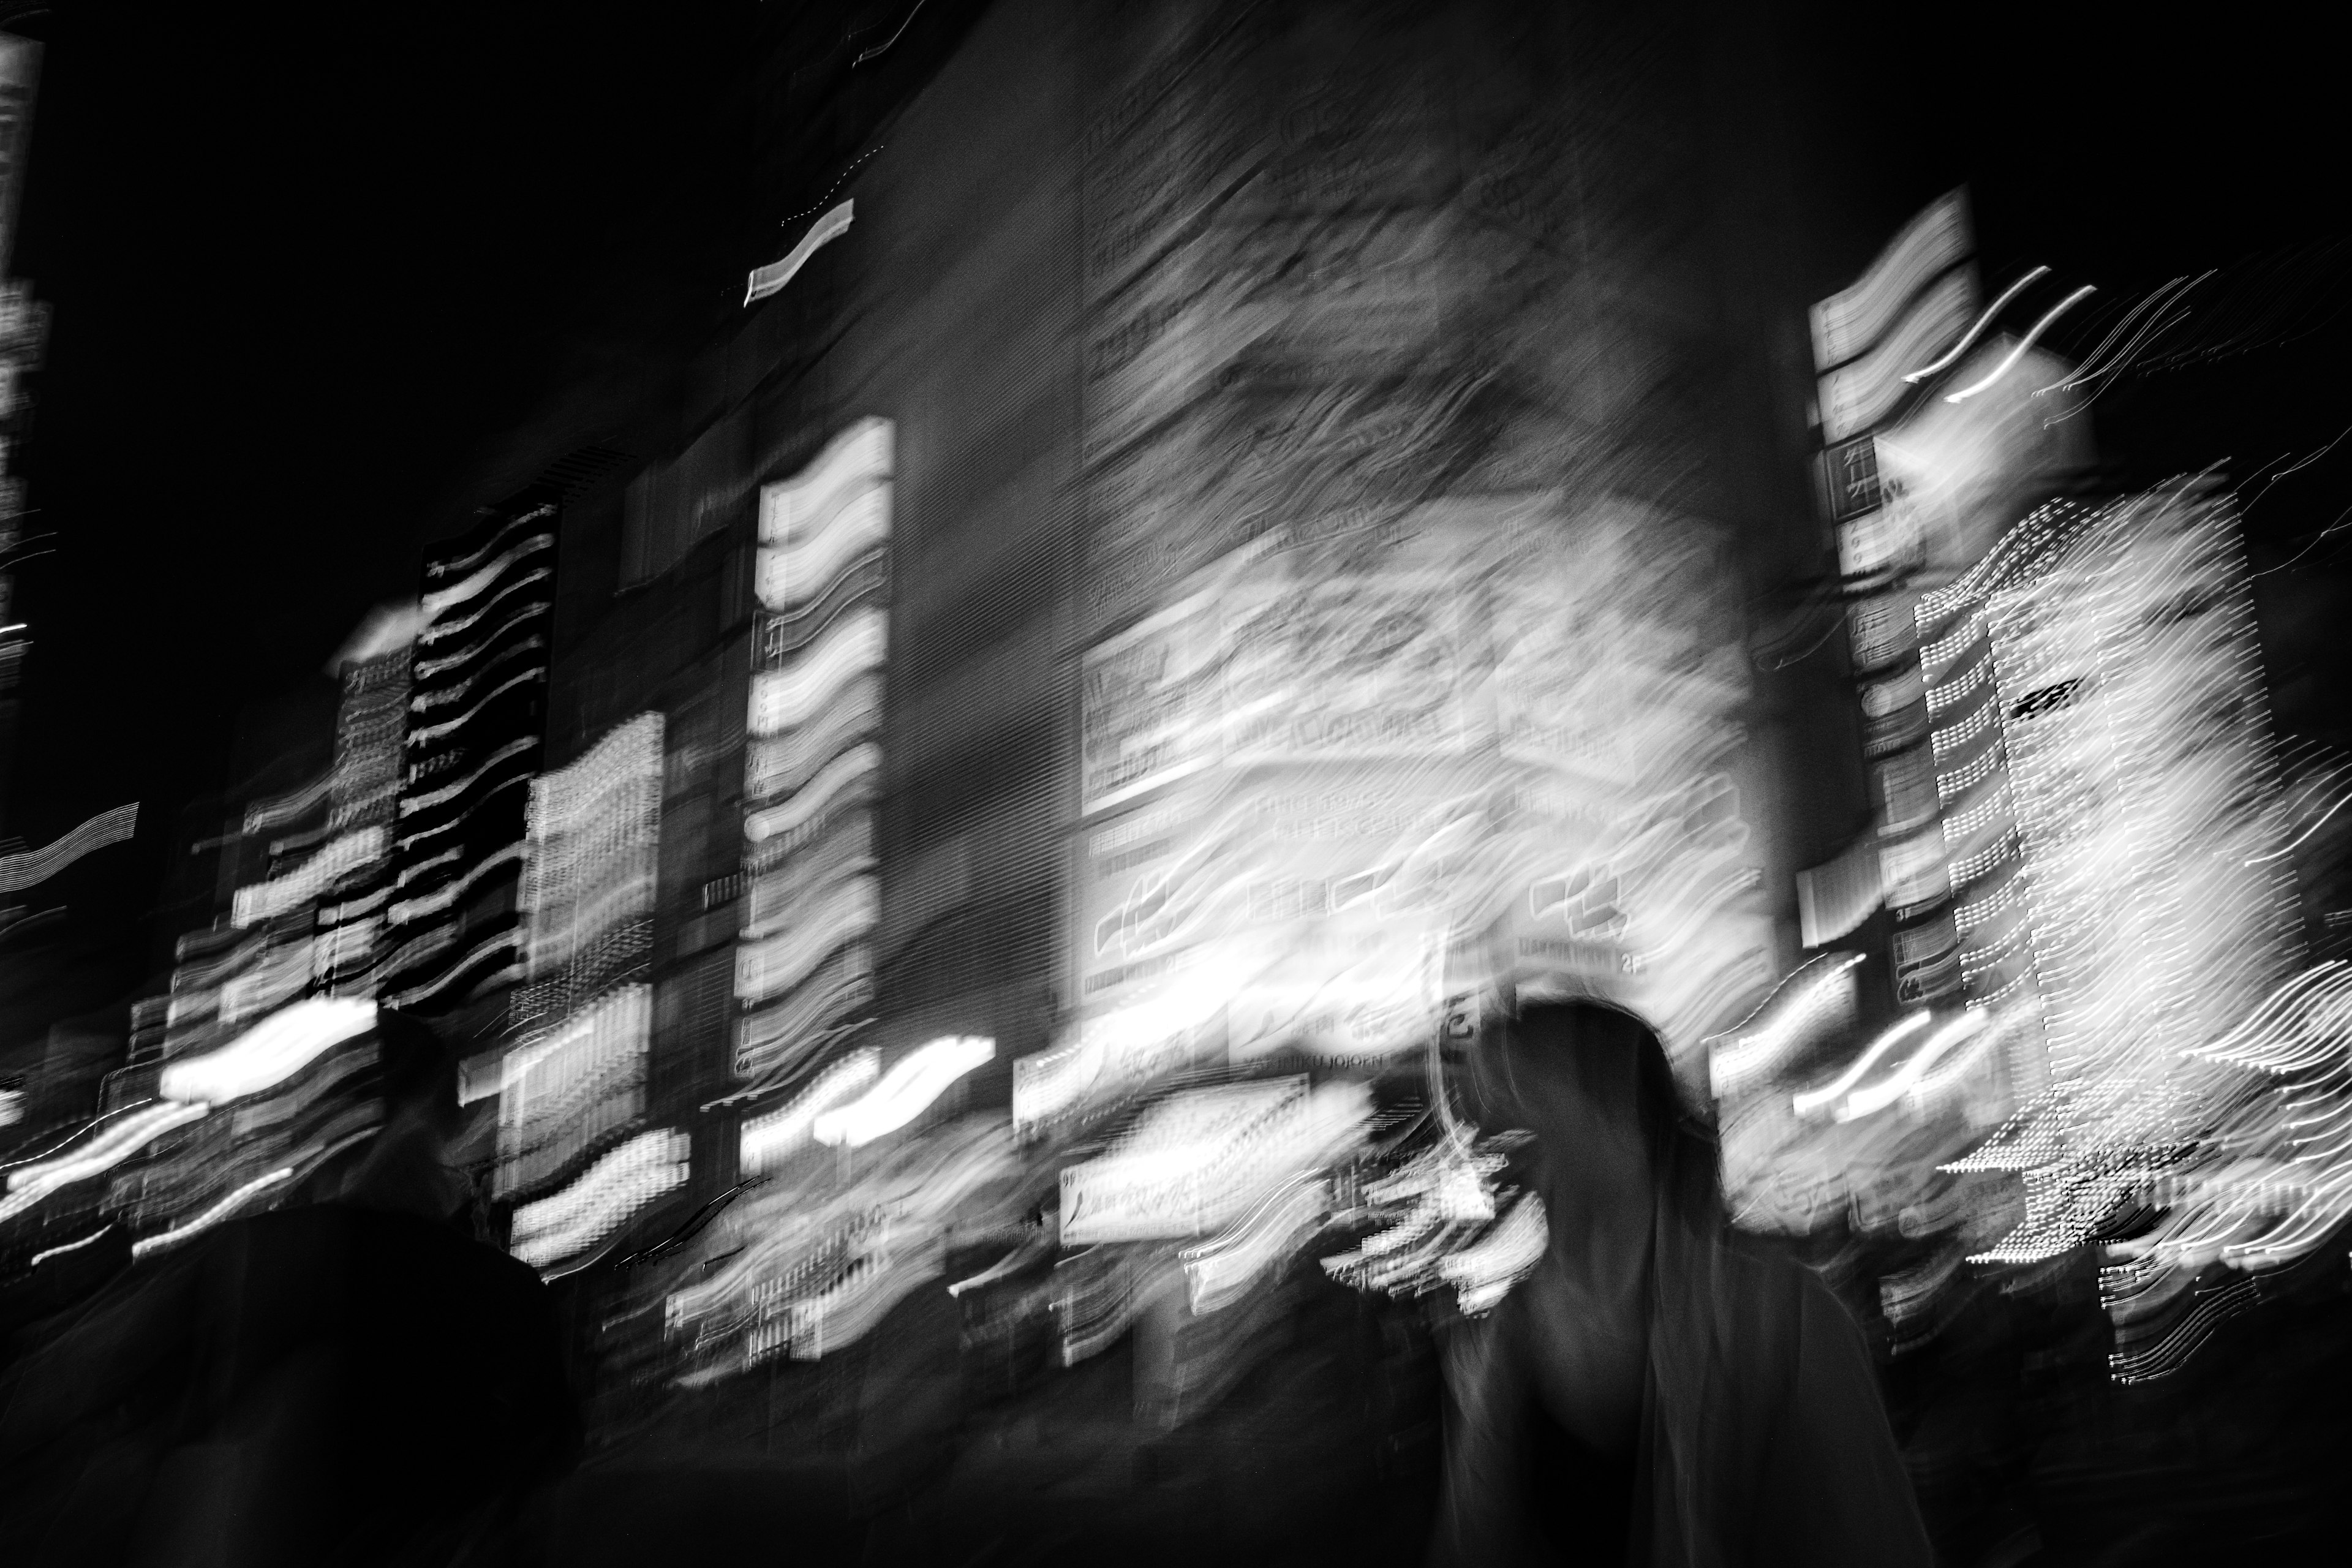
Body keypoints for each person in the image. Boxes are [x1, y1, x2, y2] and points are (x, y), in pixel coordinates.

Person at [0, 1009, 579, 1567]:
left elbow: (63, 1385)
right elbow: (540, 1499)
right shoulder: (509, 1295)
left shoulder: (264, 1254)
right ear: (445, 1118)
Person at [1427, 999, 1932, 1567]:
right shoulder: (1502, 1340)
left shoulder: (1784, 1323)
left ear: (1615, 1109)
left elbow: (1874, 1542)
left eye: (1519, 1084)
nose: (1480, 1126)